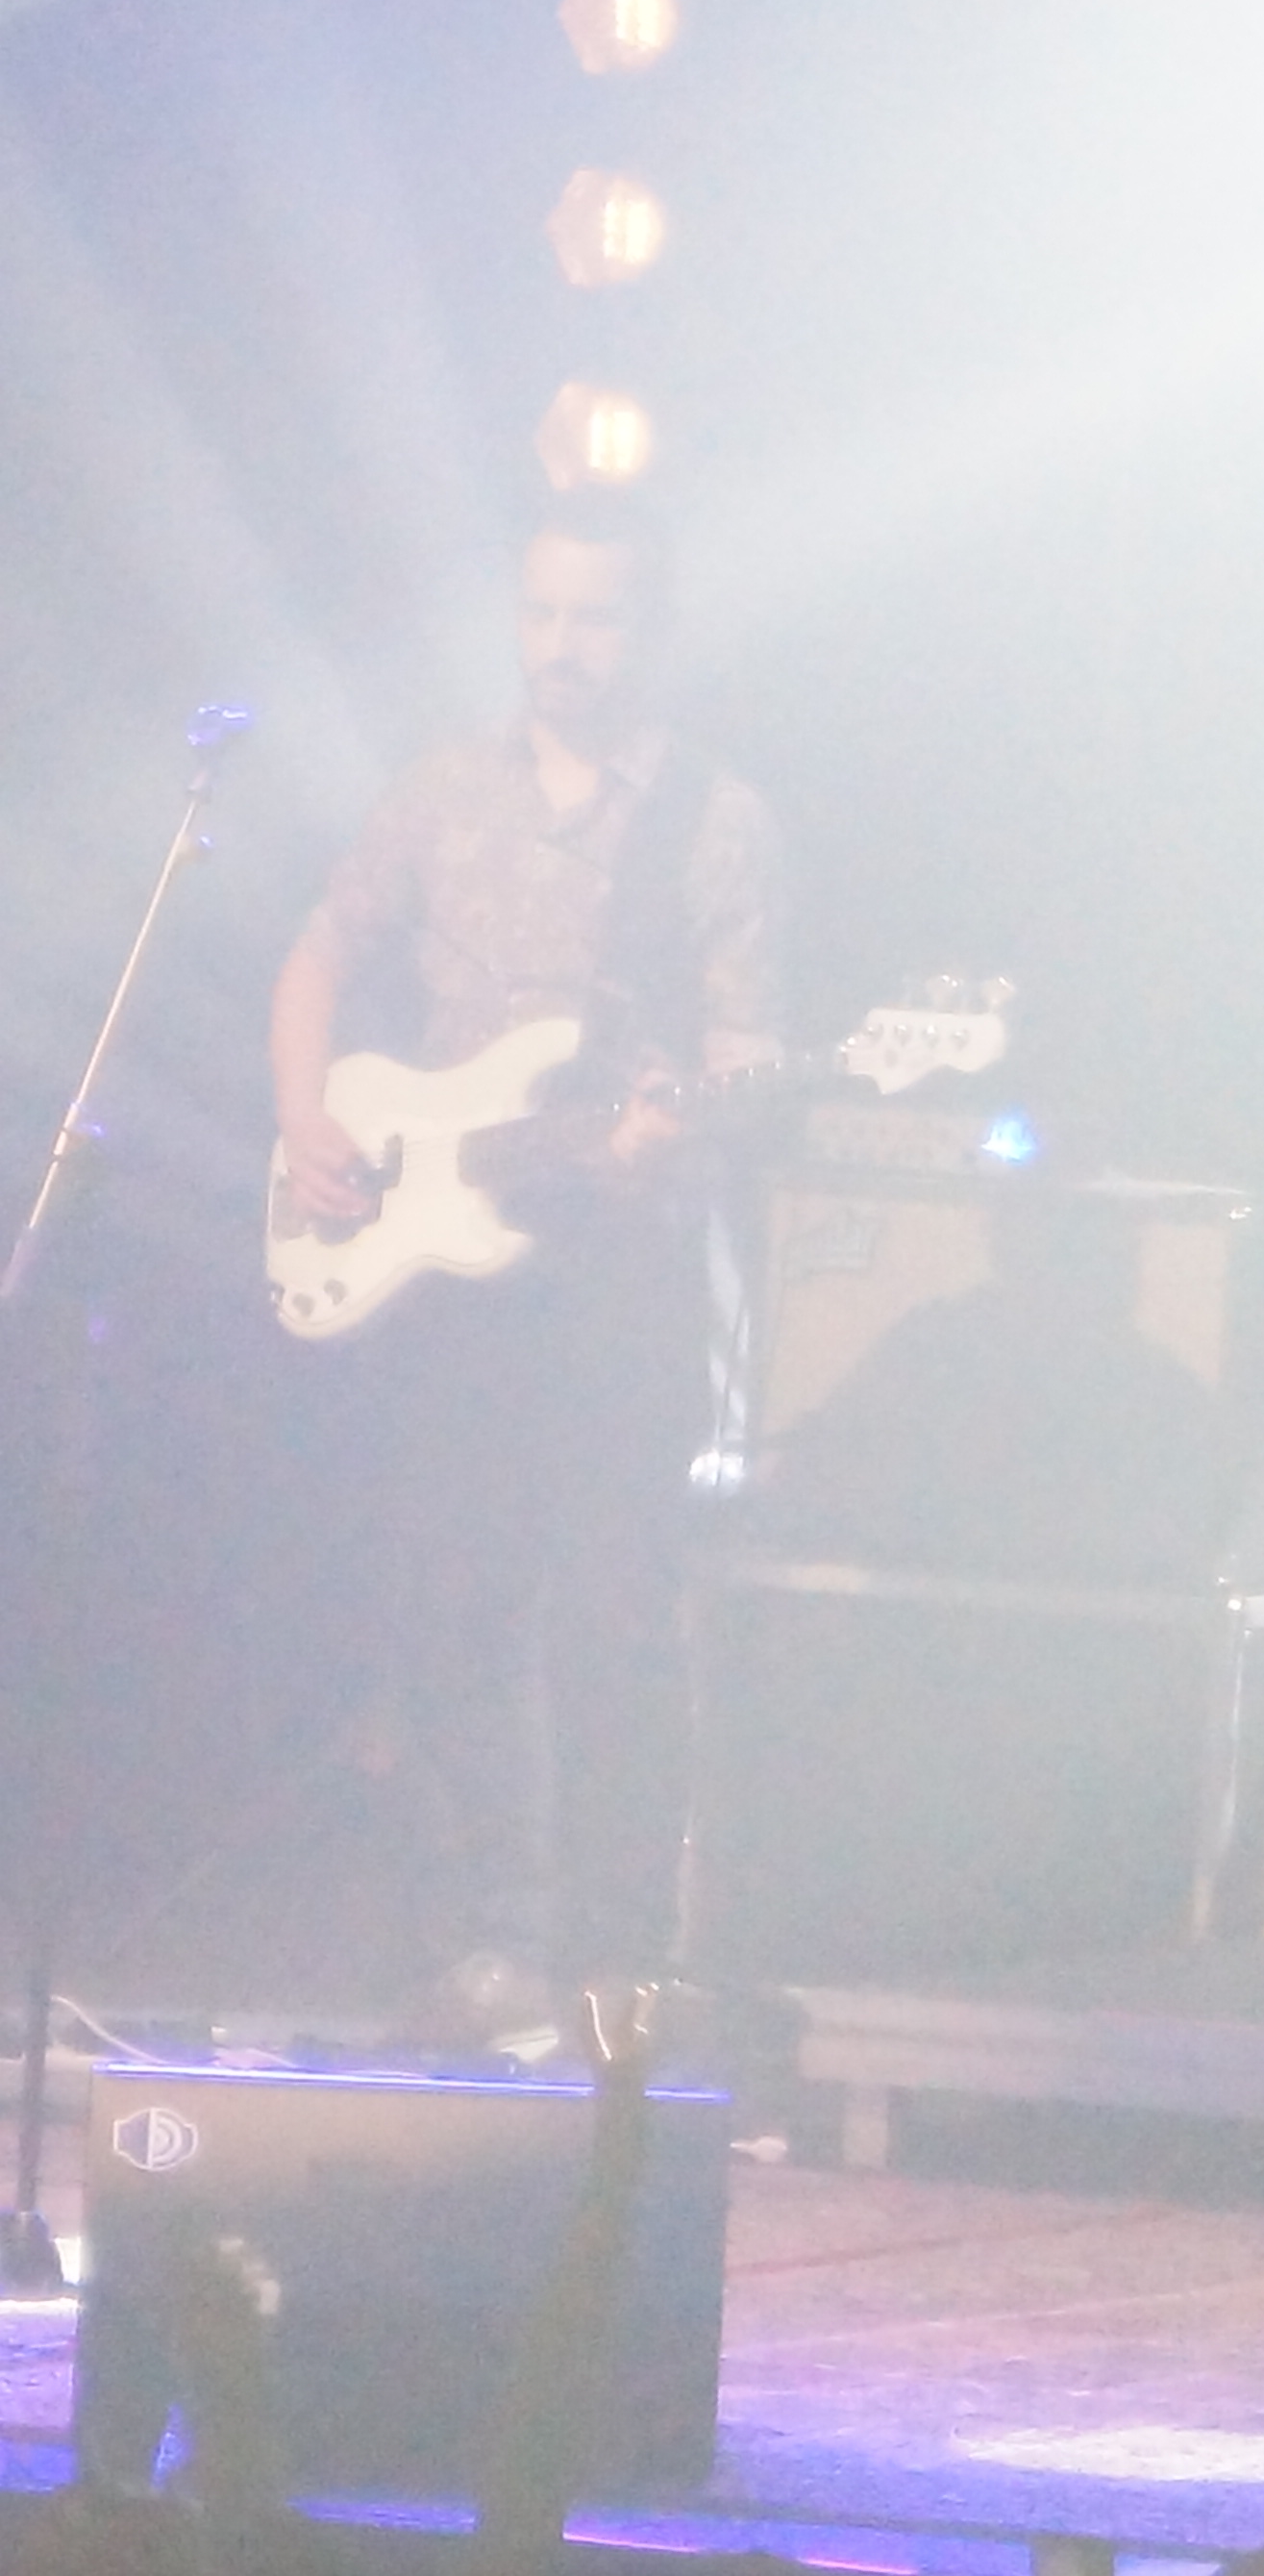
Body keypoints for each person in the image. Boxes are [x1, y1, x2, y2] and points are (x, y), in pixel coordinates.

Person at [269, 495, 781, 2053]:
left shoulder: (716, 820)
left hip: (618, 1274)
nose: (564, 647)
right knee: (449, 1610)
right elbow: (322, 950)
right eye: (544, 614)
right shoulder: (443, 788)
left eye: (597, 618)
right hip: (453, 1279)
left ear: (653, 631)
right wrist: (305, 1117)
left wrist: (666, 1131)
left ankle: (615, 1960)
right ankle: (483, 1941)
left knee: (617, 1616)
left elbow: (744, 1061)